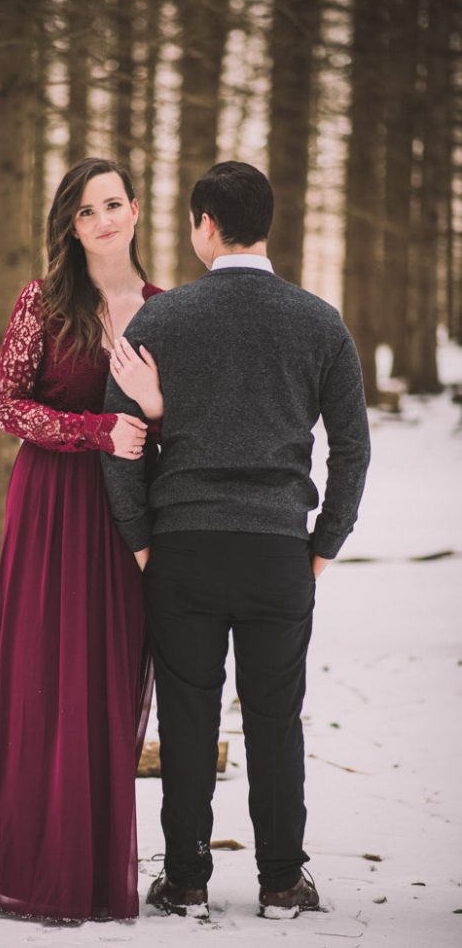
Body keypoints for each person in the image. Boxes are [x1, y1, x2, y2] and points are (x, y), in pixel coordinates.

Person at [101, 161, 371, 921]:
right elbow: (352, 446)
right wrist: (323, 543)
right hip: (278, 552)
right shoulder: (319, 321)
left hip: (181, 548)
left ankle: (185, 879)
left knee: (187, 715)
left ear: (205, 225)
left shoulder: (159, 321)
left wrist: (140, 539)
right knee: (277, 717)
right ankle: (282, 880)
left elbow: (117, 440)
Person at [0, 157, 164, 921]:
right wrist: (97, 430)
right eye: (87, 210)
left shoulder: (165, 307)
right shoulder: (44, 301)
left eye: (114, 203)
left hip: (128, 516)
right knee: (46, 672)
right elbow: (7, 405)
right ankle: (30, 858)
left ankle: (91, 859)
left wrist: (154, 418)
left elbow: (177, 418)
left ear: (135, 209)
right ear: (69, 223)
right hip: (53, 504)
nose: (104, 220)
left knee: (110, 672)